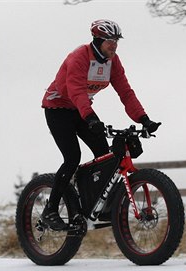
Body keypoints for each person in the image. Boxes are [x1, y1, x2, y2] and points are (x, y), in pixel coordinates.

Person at [40, 19, 161, 231]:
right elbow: (76, 90)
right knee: (72, 157)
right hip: (58, 108)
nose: (113, 45)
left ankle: (91, 204)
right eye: (109, 41)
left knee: (105, 155)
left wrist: (144, 119)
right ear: (97, 40)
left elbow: (126, 92)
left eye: (116, 41)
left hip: (80, 109)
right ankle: (50, 210)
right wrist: (91, 117)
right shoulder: (79, 57)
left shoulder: (113, 61)